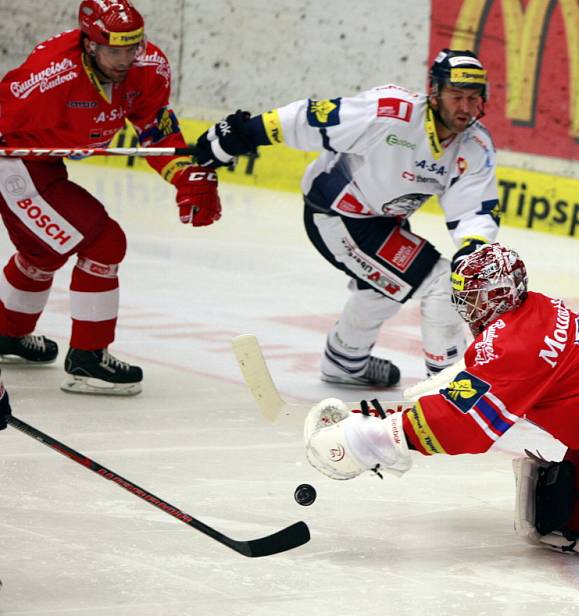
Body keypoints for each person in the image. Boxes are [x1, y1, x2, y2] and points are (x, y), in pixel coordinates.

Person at [302, 243, 579, 600]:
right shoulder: (523, 314)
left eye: (471, 297)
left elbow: (463, 423)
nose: (464, 307)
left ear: (497, 295)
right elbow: (471, 383)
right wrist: (392, 415)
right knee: (565, 528)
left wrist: (371, 438)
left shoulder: (514, 344)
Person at [193, 49, 501, 387]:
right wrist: (246, 134)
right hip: (336, 214)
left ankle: (345, 362)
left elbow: (473, 209)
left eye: (473, 98)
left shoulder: (475, 144)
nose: (465, 108)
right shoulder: (390, 112)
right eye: (456, 96)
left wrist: (472, 248)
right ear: (434, 92)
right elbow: (312, 118)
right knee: (442, 284)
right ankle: (448, 390)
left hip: (383, 220)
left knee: (381, 288)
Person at [0, 0, 221, 395]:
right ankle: (88, 358)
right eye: (113, 50)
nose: (124, 60)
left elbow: (156, 129)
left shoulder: (148, 67)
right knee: (104, 241)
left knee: (43, 253)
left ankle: (7, 334)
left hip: (45, 164)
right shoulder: (49, 78)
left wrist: (187, 177)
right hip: (13, 164)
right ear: (89, 45)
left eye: (131, 48)